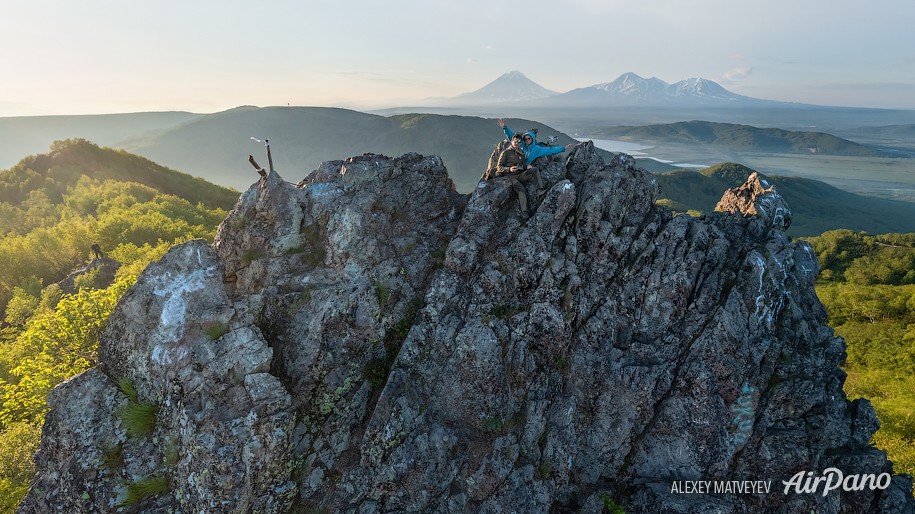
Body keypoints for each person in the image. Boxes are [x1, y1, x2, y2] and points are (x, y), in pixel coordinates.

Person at [496, 134, 546, 217]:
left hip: (519, 174)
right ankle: (525, 212)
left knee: (534, 170)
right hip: (509, 177)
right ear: (512, 141)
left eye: (519, 141)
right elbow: (499, 167)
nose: (517, 143)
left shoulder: (521, 152)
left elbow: (521, 165)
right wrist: (509, 169)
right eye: (515, 141)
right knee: (521, 189)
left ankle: (540, 191)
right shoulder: (506, 153)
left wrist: (526, 167)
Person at [498, 118, 574, 166]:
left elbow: (551, 150)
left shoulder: (537, 149)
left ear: (533, 139)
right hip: (517, 165)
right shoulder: (523, 145)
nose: (527, 140)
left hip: (525, 167)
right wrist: (505, 128)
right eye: (526, 139)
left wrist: (563, 148)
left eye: (529, 139)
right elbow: (512, 137)